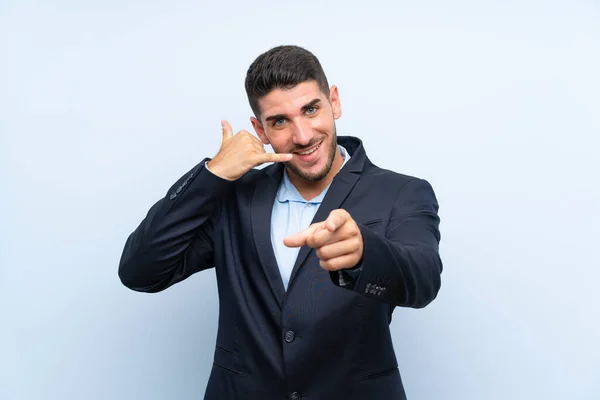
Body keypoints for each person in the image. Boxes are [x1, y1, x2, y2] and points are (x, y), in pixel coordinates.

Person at [118, 44, 443, 400]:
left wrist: (365, 253)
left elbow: (423, 280)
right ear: (260, 129)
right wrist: (213, 174)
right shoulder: (233, 197)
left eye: (311, 109)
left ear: (334, 101)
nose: (302, 136)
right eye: (280, 121)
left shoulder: (402, 192)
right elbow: (140, 271)